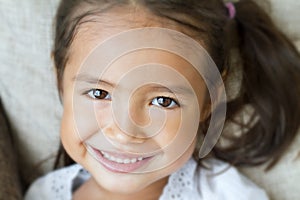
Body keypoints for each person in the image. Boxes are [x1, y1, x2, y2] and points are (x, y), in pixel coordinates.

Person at [25, 0, 300, 199]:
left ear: (209, 101)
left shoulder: (229, 195)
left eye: (163, 101)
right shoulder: (43, 195)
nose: (124, 132)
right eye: (99, 93)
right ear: (60, 80)